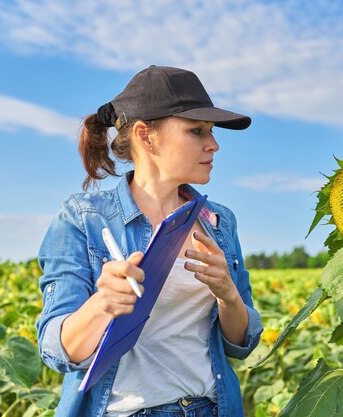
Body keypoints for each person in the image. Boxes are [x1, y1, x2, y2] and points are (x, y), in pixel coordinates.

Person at [36, 65, 263, 417]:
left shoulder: (219, 222)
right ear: (146, 135)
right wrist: (103, 305)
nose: (213, 144)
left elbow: (241, 345)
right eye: (196, 131)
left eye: (212, 132)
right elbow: (56, 350)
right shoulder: (83, 218)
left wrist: (227, 295)